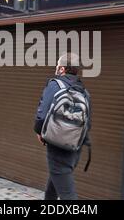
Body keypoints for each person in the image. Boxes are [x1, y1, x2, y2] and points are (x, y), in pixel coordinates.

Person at [34, 53, 91, 200]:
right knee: (56, 179)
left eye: (57, 65)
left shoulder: (55, 85)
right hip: (75, 147)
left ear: (62, 69)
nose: (56, 68)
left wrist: (39, 132)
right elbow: (87, 122)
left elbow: (42, 111)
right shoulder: (84, 91)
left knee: (67, 194)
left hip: (57, 145)